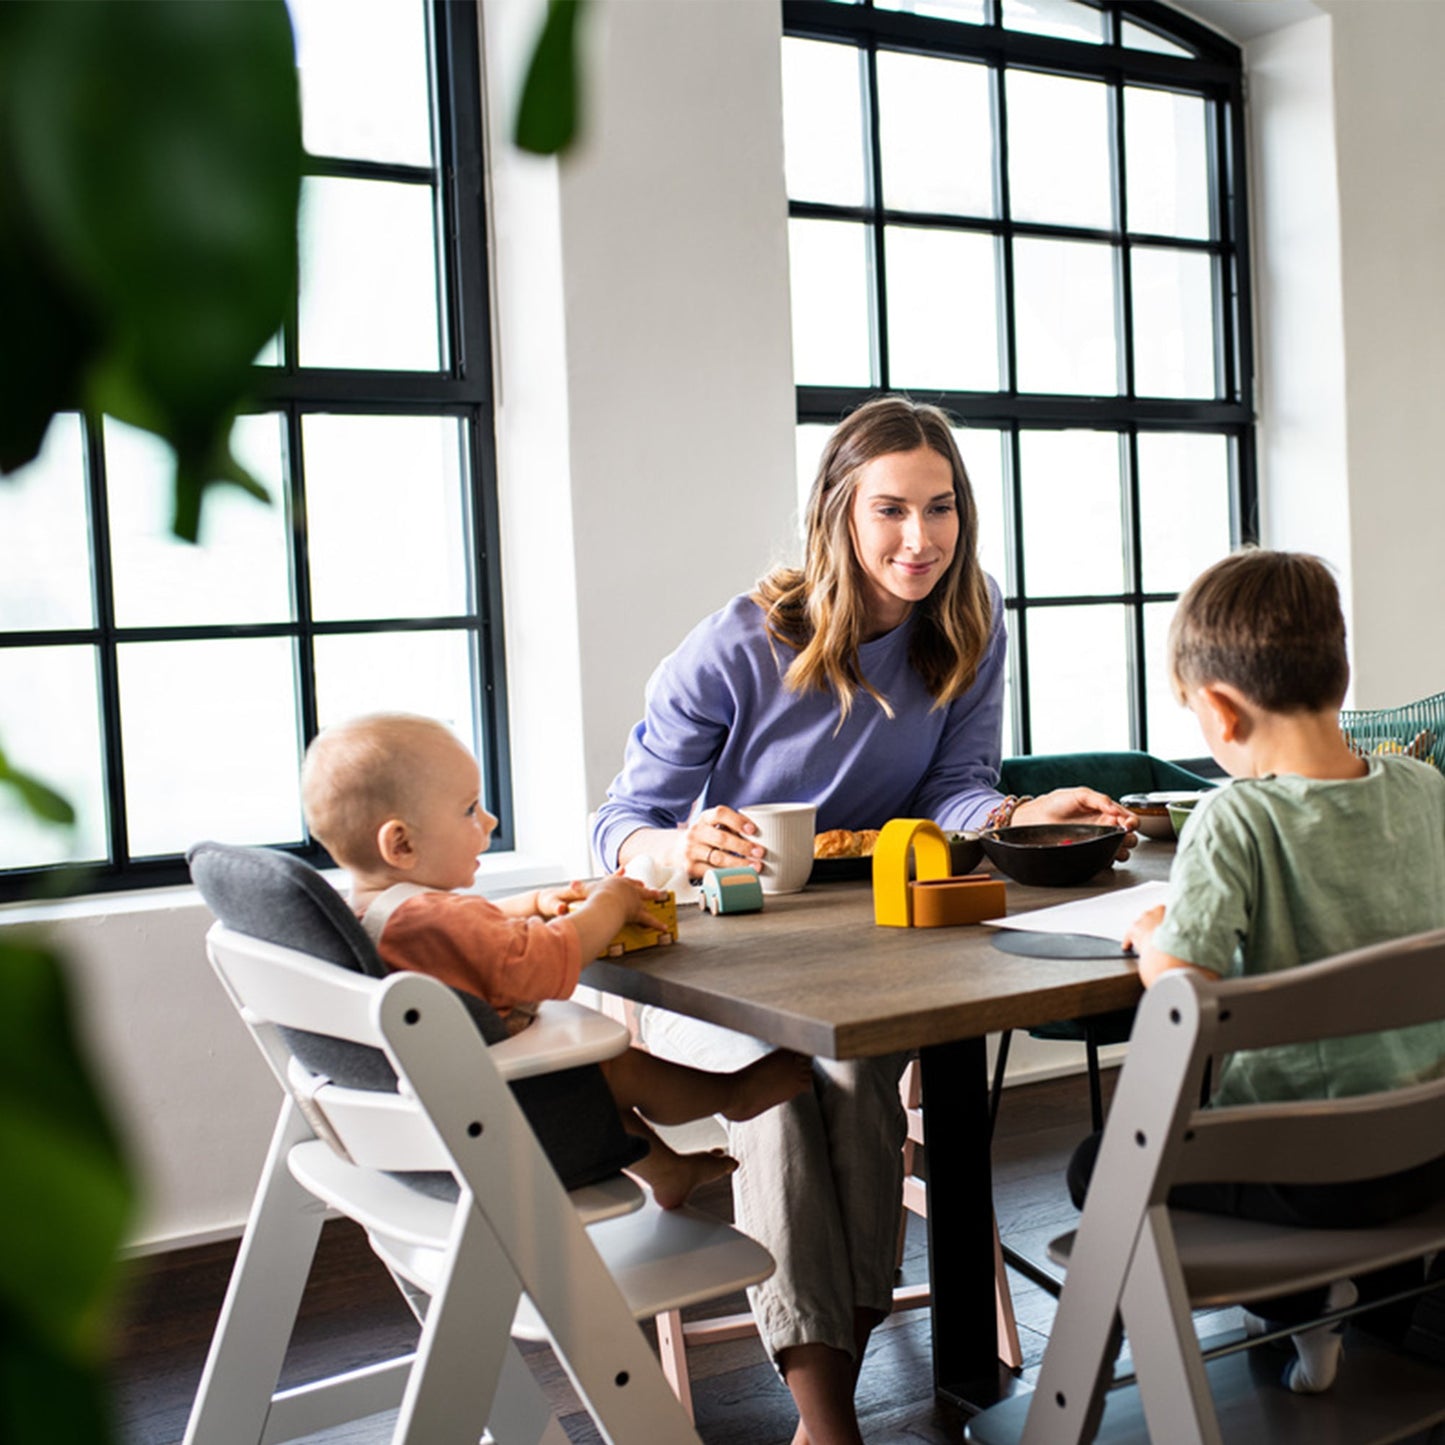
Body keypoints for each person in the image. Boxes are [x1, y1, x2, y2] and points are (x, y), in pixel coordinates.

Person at [591, 395, 1137, 1445]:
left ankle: (825, 1403)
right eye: (889, 509)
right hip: (718, 956)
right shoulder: (738, 643)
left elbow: (954, 788)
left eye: (940, 508)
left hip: (869, 946)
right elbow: (618, 822)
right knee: (785, 1091)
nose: (919, 538)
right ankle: (830, 1416)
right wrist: (677, 845)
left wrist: (1017, 813)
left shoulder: (968, 618)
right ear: (837, 512)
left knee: (847, 1080)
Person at [1085, 548, 1445, 1394]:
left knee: (1099, 1164)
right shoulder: (1424, 787)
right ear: (1339, 675)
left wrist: (1156, 936)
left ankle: (1299, 1303)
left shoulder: (1234, 816)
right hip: (1426, 1150)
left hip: (1306, 1173)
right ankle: (1343, 1309)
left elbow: (1185, 988)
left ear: (1218, 708)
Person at [300, 711, 813, 1210]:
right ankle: (735, 1093)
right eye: (469, 810)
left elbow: (464, 929)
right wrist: (610, 903)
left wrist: (530, 903)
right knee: (611, 1068)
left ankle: (668, 1172)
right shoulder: (434, 920)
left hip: (449, 1117)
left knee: (580, 1070)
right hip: (507, 1125)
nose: (489, 820)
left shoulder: (372, 916)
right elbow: (548, 961)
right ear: (401, 843)